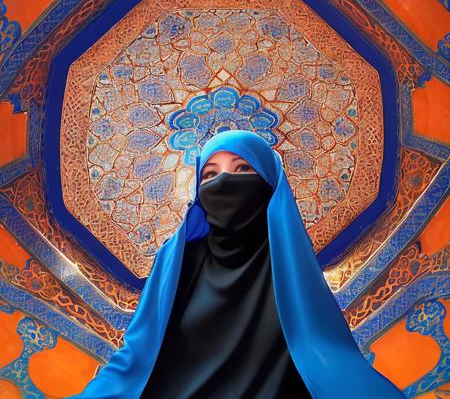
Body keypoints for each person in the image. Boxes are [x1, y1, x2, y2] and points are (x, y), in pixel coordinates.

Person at [66, 129, 406, 399]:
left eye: (243, 169)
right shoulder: (178, 259)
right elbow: (136, 354)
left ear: (270, 185)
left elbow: (326, 354)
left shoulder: (290, 267)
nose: (224, 183)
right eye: (210, 175)